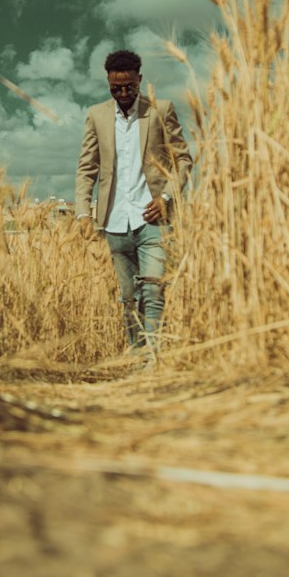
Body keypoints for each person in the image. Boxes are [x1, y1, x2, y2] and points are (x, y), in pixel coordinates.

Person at [75, 49, 192, 356]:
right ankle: (137, 359)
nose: (123, 93)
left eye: (130, 86)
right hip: (113, 223)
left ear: (140, 79)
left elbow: (183, 160)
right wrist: (82, 213)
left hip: (152, 220)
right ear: (108, 83)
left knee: (153, 290)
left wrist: (166, 196)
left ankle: (154, 363)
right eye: (116, 88)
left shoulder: (161, 109)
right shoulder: (96, 115)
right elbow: (86, 167)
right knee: (128, 298)